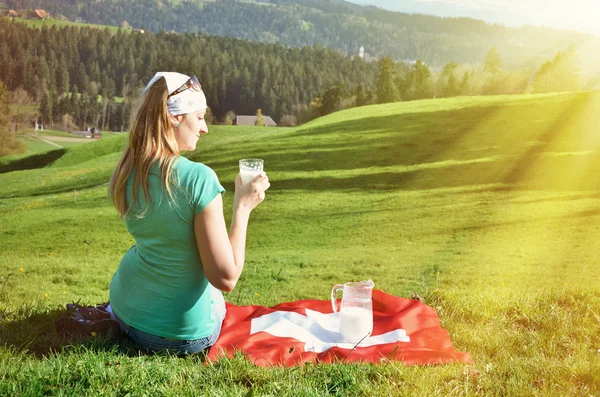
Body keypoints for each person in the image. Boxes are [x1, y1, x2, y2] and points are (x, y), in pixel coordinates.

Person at [107, 72, 270, 355]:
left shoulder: (130, 168)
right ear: (174, 117)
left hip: (125, 308)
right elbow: (226, 278)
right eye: (200, 117)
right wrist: (243, 207)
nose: (205, 128)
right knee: (216, 295)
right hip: (181, 334)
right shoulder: (199, 179)